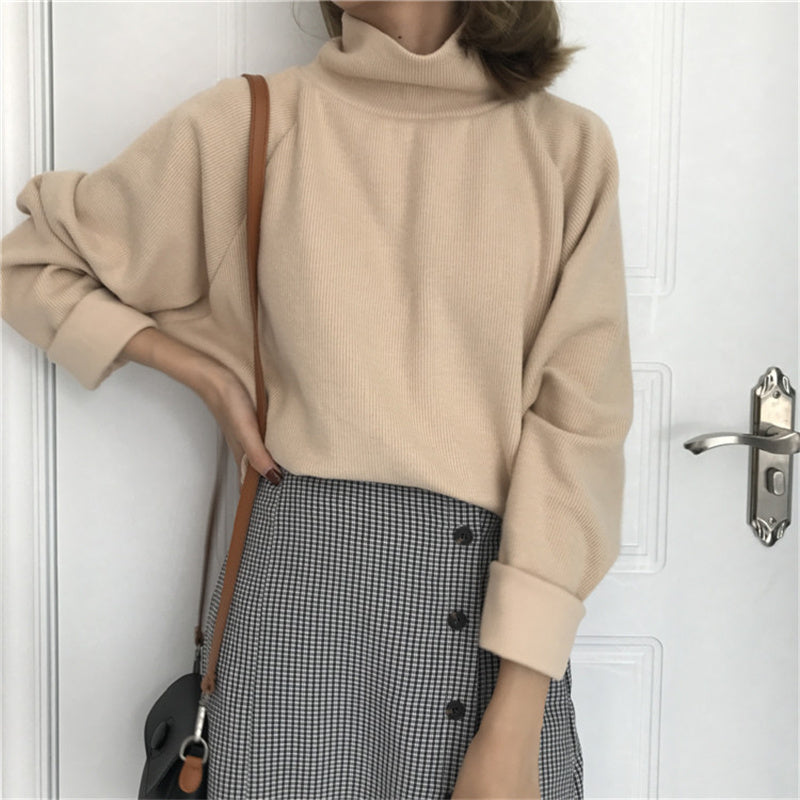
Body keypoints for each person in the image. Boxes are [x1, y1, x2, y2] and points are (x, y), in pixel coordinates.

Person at [0, 1, 634, 798]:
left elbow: (579, 428)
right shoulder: (254, 123)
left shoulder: (564, 149)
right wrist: (206, 376)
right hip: (294, 610)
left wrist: (514, 720)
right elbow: (31, 266)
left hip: (484, 623)